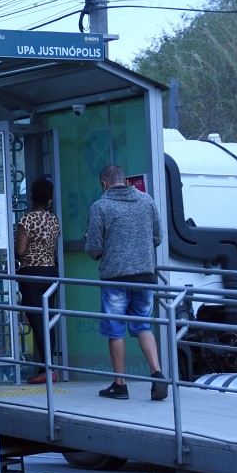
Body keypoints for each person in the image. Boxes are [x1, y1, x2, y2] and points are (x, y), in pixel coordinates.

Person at [84, 164, 166, 401]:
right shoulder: (147, 201)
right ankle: (157, 374)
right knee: (143, 326)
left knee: (115, 330)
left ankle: (120, 384)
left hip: (115, 278)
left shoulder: (100, 206)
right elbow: (157, 237)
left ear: (104, 184)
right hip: (144, 276)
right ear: (126, 180)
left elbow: (94, 247)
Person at [14, 177, 61, 384]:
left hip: (31, 274)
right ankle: (48, 367)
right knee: (47, 320)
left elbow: (20, 250)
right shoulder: (53, 220)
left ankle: (47, 368)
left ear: (33, 197)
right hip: (50, 274)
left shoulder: (27, 220)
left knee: (37, 322)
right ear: (49, 198)